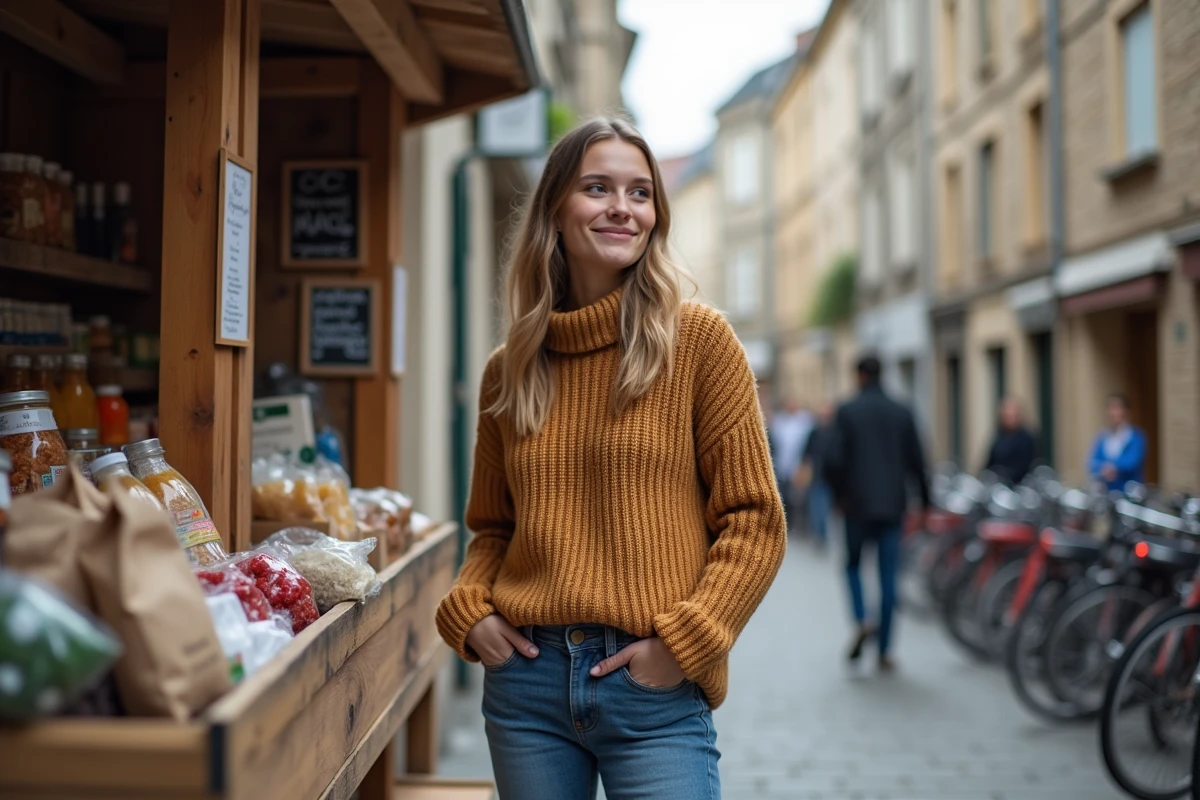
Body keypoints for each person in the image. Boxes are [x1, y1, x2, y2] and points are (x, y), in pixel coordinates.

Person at [434, 117, 786, 800]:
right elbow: (493, 530)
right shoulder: (509, 370)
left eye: (640, 193)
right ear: (556, 211)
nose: (623, 208)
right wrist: (471, 611)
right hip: (527, 688)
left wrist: (688, 641)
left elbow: (753, 519)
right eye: (598, 188)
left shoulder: (699, 343)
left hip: (654, 687)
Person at [824, 355, 929, 672]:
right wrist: (925, 502)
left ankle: (861, 618)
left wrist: (839, 495)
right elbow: (919, 461)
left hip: (856, 506)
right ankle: (884, 650)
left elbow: (831, 459)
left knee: (853, 565)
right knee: (888, 577)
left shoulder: (847, 411)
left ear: (859, 376)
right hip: (893, 507)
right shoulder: (902, 411)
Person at [770, 397, 814, 534]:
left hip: (800, 465)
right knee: (785, 497)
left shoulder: (805, 421)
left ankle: (803, 526)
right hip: (782, 465)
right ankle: (787, 524)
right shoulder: (779, 422)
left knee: (802, 498)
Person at [1088, 393, 1147, 491]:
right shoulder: (1102, 437)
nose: (1113, 412)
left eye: (1117, 408)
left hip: (1129, 492)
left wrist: (1114, 468)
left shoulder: (1135, 436)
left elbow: (1132, 461)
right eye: (1110, 408)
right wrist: (1102, 469)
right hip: (1108, 493)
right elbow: (1092, 462)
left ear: (1126, 411)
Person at [800, 400, 836, 548]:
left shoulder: (835, 432)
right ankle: (820, 535)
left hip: (831, 477)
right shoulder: (815, 432)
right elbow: (806, 453)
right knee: (817, 508)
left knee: (825, 509)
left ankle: (822, 534)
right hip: (817, 476)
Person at [984, 397, 1037, 485]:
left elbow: (1025, 465)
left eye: (1012, 415)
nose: (1009, 418)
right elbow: (990, 461)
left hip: (1019, 486)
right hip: (998, 485)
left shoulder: (1026, 438)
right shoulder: (999, 436)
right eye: (1006, 415)